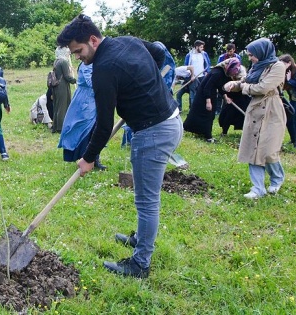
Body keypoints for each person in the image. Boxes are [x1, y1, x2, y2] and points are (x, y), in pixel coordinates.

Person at [57, 14, 182, 279]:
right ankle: (141, 238)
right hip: (168, 121)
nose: (78, 57)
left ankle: (140, 264)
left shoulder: (104, 69)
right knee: (146, 196)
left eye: (78, 51)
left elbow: (104, 125)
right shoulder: (129, 41)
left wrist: (88, 158)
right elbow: (159, 53)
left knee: (147, 201)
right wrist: (145, 87)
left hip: (153, 133)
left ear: (93, 40)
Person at [223, 38, 286, 199]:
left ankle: (277, 179)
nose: (250, 58)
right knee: (253, 149)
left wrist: (243, 87)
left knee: (269, 150)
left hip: (272, 110)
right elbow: (245, 82)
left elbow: (263, 88)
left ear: (261, 52)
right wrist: (234, 85)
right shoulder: (256, 67)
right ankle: (258, 188)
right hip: (255, 110)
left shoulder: (277, 66)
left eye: (252, 55)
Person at [58, 63, 107, 170]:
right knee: (85, 129)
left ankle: (94, 159)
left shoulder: (96, 62)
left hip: (94, 99)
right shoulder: (87, 65)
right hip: (86, 100)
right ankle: (86, 159)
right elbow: (91, 82)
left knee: (95, 129)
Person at [183, 57, 242, 142]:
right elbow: (207, 87)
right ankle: (208, 137)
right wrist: (208, 101)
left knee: (207, 114)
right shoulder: (217, 73)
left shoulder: (222, 73)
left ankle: (199, 132)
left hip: (210, 94)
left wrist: (225, 97)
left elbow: (220, 86)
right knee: (208, 115)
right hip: (204, 95)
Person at [218, 65, 251, 136]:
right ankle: (224, 132)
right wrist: (226, 97)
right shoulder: (227, 73)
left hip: (242, 96)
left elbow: (244, 84)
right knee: (228, 115)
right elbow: (222, 88)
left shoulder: (242, 72)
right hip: (231, 97)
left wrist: (236, 85)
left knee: (244, 115)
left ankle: (246, 134)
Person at [51, 47, 77, 133]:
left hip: (56, 86)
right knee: (62, 106)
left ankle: (55, 126)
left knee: (57, 106)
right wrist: (75, 81)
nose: (68, 54)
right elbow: (67, 76)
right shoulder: (64, 62)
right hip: (62, 86)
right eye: (67, 53)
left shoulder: (57, 61)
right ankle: (60, 128)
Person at [184, 40, 211, 107]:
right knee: (193, 92)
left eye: (202, 47)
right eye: (201, 47)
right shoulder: (189, 55)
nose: (202, 48)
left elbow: (208, 64)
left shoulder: (204, 54)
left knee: (203, 91)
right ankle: (192, 107)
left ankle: (202, 106)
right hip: (193, 76)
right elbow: (186, 66)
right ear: (196, 47)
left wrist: (207, 72)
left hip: (202, 76)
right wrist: (190, 75)